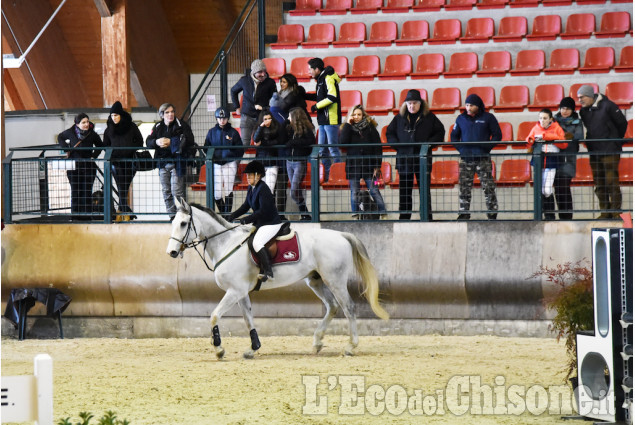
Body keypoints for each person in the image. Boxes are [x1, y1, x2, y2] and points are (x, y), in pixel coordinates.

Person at [386, 89, 445, 220]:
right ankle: (404, 217)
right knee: (404, 191)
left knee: (424, 190)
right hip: (404, 159)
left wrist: (427, 144)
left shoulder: (430, 117)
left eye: (414, 103)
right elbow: (389, 133)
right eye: (409, 103)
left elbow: (440, 133)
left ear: (420, 103)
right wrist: (397, 146)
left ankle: (426, 217)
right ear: (405, 104)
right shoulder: (399, 118)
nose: (412, 106)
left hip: (422, 160)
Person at [577, 84, 628, 219]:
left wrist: (615, 140)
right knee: (599, 183)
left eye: (582, 97)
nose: (580, 100)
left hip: (610, 150)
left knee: (612, 182)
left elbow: (622, 123)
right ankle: (605, 212)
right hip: (594, 151)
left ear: (589, 96)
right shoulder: (583, 111)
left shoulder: (609, 105)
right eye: (578, 98)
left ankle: (616, 212)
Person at [227, 160, 283, 282]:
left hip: (271, 223)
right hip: (261, 223)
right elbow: (245, 206)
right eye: (247, 175)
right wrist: (232, 216)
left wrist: (246, 220)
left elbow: (263, 211)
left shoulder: (263, 189)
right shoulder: (251, 188)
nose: (247, 178)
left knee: (257, 243)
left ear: (258, 175)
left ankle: (269, 272)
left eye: (250, 175)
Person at [450, 93, 502, 220]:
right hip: (466, 159)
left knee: (488, 186)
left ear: (478, 106)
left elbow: (497, 135)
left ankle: (492, 211)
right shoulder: (460, 119)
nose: (468, 107)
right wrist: (461, 149)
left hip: (482, 158)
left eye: (471, 105)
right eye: (467, 105)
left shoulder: (488, 118)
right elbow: (454, 136)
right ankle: (464, 212)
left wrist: (486, 147)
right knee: (464, 187)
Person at [146, 103, 195, 221]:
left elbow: (189, 140)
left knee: (177, 191)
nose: (170, 114)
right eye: (167, 112)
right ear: (162, 115)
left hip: (177, 163)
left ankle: (182, 215)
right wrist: (156, 142)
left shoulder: (182, 125)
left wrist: (171, 142)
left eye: (172, 111)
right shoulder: (157, 126)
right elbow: (148, 141)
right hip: (162, 163)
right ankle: (172, 216)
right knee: (166, 191)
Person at [339, 105, 387, 219]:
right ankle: (355, 214)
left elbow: (378, 148)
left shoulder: (370, 128)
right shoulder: (347, 128)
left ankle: (383, 213)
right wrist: (347, 125)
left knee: (374, 190)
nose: (356, 117)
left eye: (359, 114)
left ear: (363, 115)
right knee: (354, 192)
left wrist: (377, 166)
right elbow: (342, 143)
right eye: (354, 115)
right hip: (353, 166)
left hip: (369, 166)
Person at [57, 113, 104, 220]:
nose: (86, 124)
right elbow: (60, 137)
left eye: (87, 122)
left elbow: (100, 146)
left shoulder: (92, 134)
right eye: (83, 122)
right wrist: (66, 148)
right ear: (77, 124)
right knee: (75, 191)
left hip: (88, 166)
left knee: (87, 192)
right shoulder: (71, 132)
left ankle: (87, 216)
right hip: (74, 167)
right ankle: (75, 216)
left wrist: (94, 156)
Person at [103, 101, 143, 221]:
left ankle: (122, 211)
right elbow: (105, 144)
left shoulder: (131, 126)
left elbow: (140, 141)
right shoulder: (109, 129)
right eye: (112, 115)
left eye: (116, 115)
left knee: (123, 186)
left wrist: (130, 149)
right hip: (115, 162)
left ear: (121, 115)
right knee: (122, 186)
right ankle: (125, 212)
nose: (114, 118)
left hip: (130, 161)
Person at [526, 109, 567, 220]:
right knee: (540, 190)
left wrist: (549, 137)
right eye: (540, 118)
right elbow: (529, 139)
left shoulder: (557, 128)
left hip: (551, 161)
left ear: (550, 119)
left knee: (547, 190)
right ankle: (546, 215)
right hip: (539, 161)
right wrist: (532, 140)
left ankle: (550, 214)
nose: (542, 120)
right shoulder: (535, 128)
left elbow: (564, 143)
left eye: (545, 118)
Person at [305, 57, 342, 180]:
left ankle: (337, 175)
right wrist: (305, 96)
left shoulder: (328, 78)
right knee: (322, 150)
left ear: (316, 69)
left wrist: (317, 106)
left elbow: (332, 97)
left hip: (331, 120)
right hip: (323, 120)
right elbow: (320, 96)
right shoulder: (321, 79)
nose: (309, 72)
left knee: (333, 149)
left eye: (310, 69)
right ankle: (327, 176)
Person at [204, 107, 243, 216]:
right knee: (217, 193)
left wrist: (231, 155)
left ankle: (227, 217)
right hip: (216, 164)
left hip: (229, 163)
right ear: (216, 118)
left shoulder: (233, 132)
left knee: (228, 190)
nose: (222, 120)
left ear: (227, 119)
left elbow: (240, 149)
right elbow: (206, 147)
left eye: (224, 118)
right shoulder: (211, 132)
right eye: (219, 118)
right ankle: (224, 215)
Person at [230, 59, 277, 147]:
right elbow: (233, 91)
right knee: (244, 143)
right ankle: (236, 160)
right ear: (254, 72)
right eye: (260, 72)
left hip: (262, 116)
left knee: (261, 143)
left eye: (264, 71)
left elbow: (275, 100)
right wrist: (237, 107)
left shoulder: (270, 83)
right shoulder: (244, 81)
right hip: (246, 116)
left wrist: (264, 108)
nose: (263, 74)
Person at [253, 109, 288, 219]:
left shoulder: (277, 127)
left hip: (272, 163)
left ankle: (270, 214)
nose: (268, 121)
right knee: (260, 191)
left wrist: (264, 143)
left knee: (269, 190)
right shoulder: (258, 128)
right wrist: (261, 126)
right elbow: (255, 140)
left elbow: (279, 142)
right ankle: (262, 214)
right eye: (265, 119)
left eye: (269, 118)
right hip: (260, 164)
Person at [553, 97, 584, 220]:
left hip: (569, 159)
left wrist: (562, 136)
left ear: (573, 110)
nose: (565, 111)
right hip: (555, 158)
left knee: (564, 187)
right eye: (563, 108)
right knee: (557, 189)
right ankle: (562, 216)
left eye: (568, 109)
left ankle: (567, 217)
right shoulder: (553, 120)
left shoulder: (577, 122)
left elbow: (578, 136)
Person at [285, 107, 315, 221]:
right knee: (295, 189)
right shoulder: (289, 128)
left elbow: (309, 142)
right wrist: (285, 122)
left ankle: (304, 212)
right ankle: (305, 214)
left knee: (294, 190)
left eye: (289, 116)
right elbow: (282, 137)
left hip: (299, 162)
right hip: (289, 162)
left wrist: (294, 142)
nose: (288, 118)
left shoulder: (306, 129)